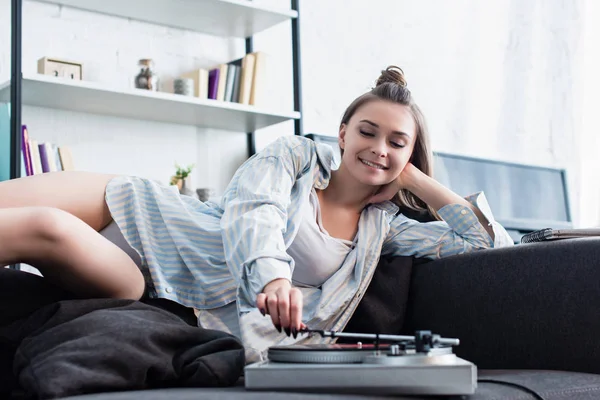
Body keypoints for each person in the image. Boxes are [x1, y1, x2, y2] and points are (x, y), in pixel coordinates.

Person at [0, 66, 513, 362]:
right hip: (143, 208)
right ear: (342, 134)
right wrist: (271, 278)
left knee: (44, 225)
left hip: (144, 280)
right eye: (368, 132)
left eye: (397, 142)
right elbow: (254, 210)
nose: (379, 148)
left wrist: (418, 179)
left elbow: (490, 249)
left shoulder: (388, 232)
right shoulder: (292, 155)